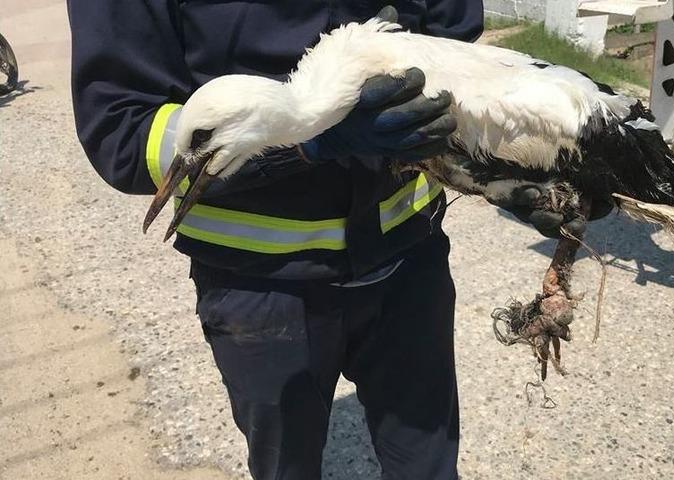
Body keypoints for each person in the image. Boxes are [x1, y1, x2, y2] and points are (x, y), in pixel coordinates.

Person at [67, 1, 588, 478]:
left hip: (409, 259)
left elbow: (454, 39)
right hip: (262, 290)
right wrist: (305, 138)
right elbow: (120, 129)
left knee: (428, 468)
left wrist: (494, 164)